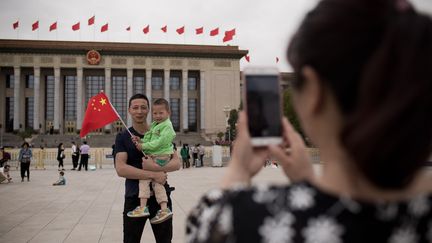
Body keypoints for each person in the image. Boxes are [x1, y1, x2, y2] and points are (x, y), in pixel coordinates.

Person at [186, 0, 432, 242]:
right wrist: (309, 183)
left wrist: (238, 169)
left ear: (314, 92)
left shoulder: (247, 220)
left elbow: (205, 227)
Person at [114, 93, 181, 243]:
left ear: (149, 110)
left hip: (161, 199)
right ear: (129, 110)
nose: (139, 111)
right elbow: (121, 169)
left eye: (143, 107)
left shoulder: (160, 131)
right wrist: (154, 174)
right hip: (134, 198)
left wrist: (155, 170)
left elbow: (176, 163)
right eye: (135, 107)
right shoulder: (124, 137)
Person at [127, 98, 176, 224]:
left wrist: (144, 147)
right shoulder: (155, 125)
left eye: (161, 113)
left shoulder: (167, 126)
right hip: (156, 155)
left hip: (160, 156)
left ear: (168, 113)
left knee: (144, 179)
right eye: (155, 113)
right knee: (157, 183)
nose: (158, 116)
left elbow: (160, 142)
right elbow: (149, 138)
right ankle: (164, 209)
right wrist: (141, 141)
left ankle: (143, 207)